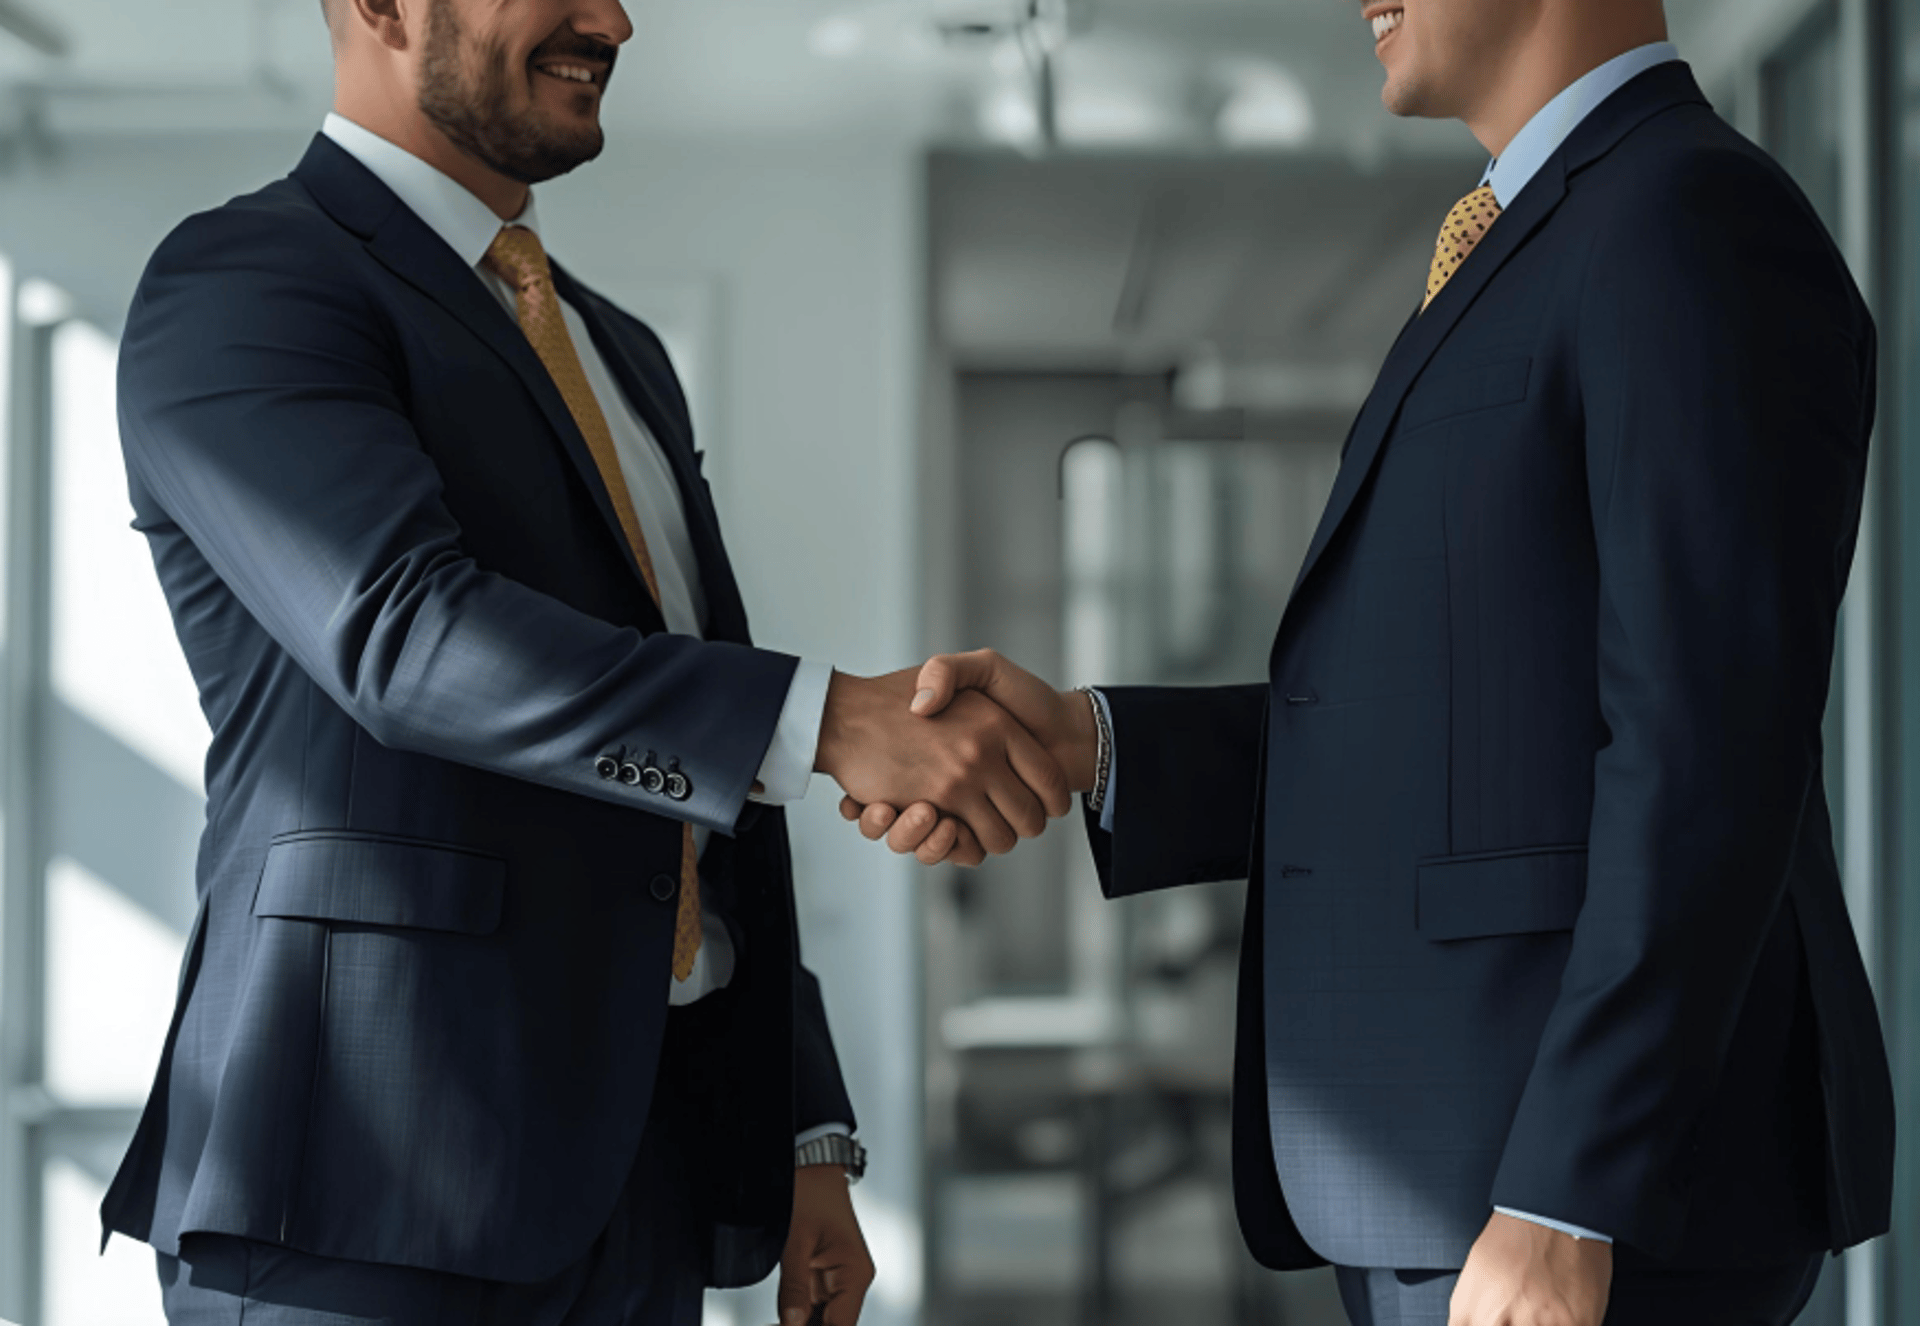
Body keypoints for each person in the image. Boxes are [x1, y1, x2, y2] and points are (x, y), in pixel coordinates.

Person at [850, 1, 1896, 1322]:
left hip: (1574, 1202)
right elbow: (1454, 724)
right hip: (1465, 1173)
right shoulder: (1544, 231)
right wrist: (1092, 744)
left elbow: (1708, 751)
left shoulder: (1691, 219)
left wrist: (1568, 1194)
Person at [100, 0, 1070, 1321]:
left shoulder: (617, 351)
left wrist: (804, 1128)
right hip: (367, 1188)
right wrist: (833, 721)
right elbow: (402, 630)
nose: (611, 18)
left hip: (640, 1182)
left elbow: (689, 780)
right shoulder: (247, 280)